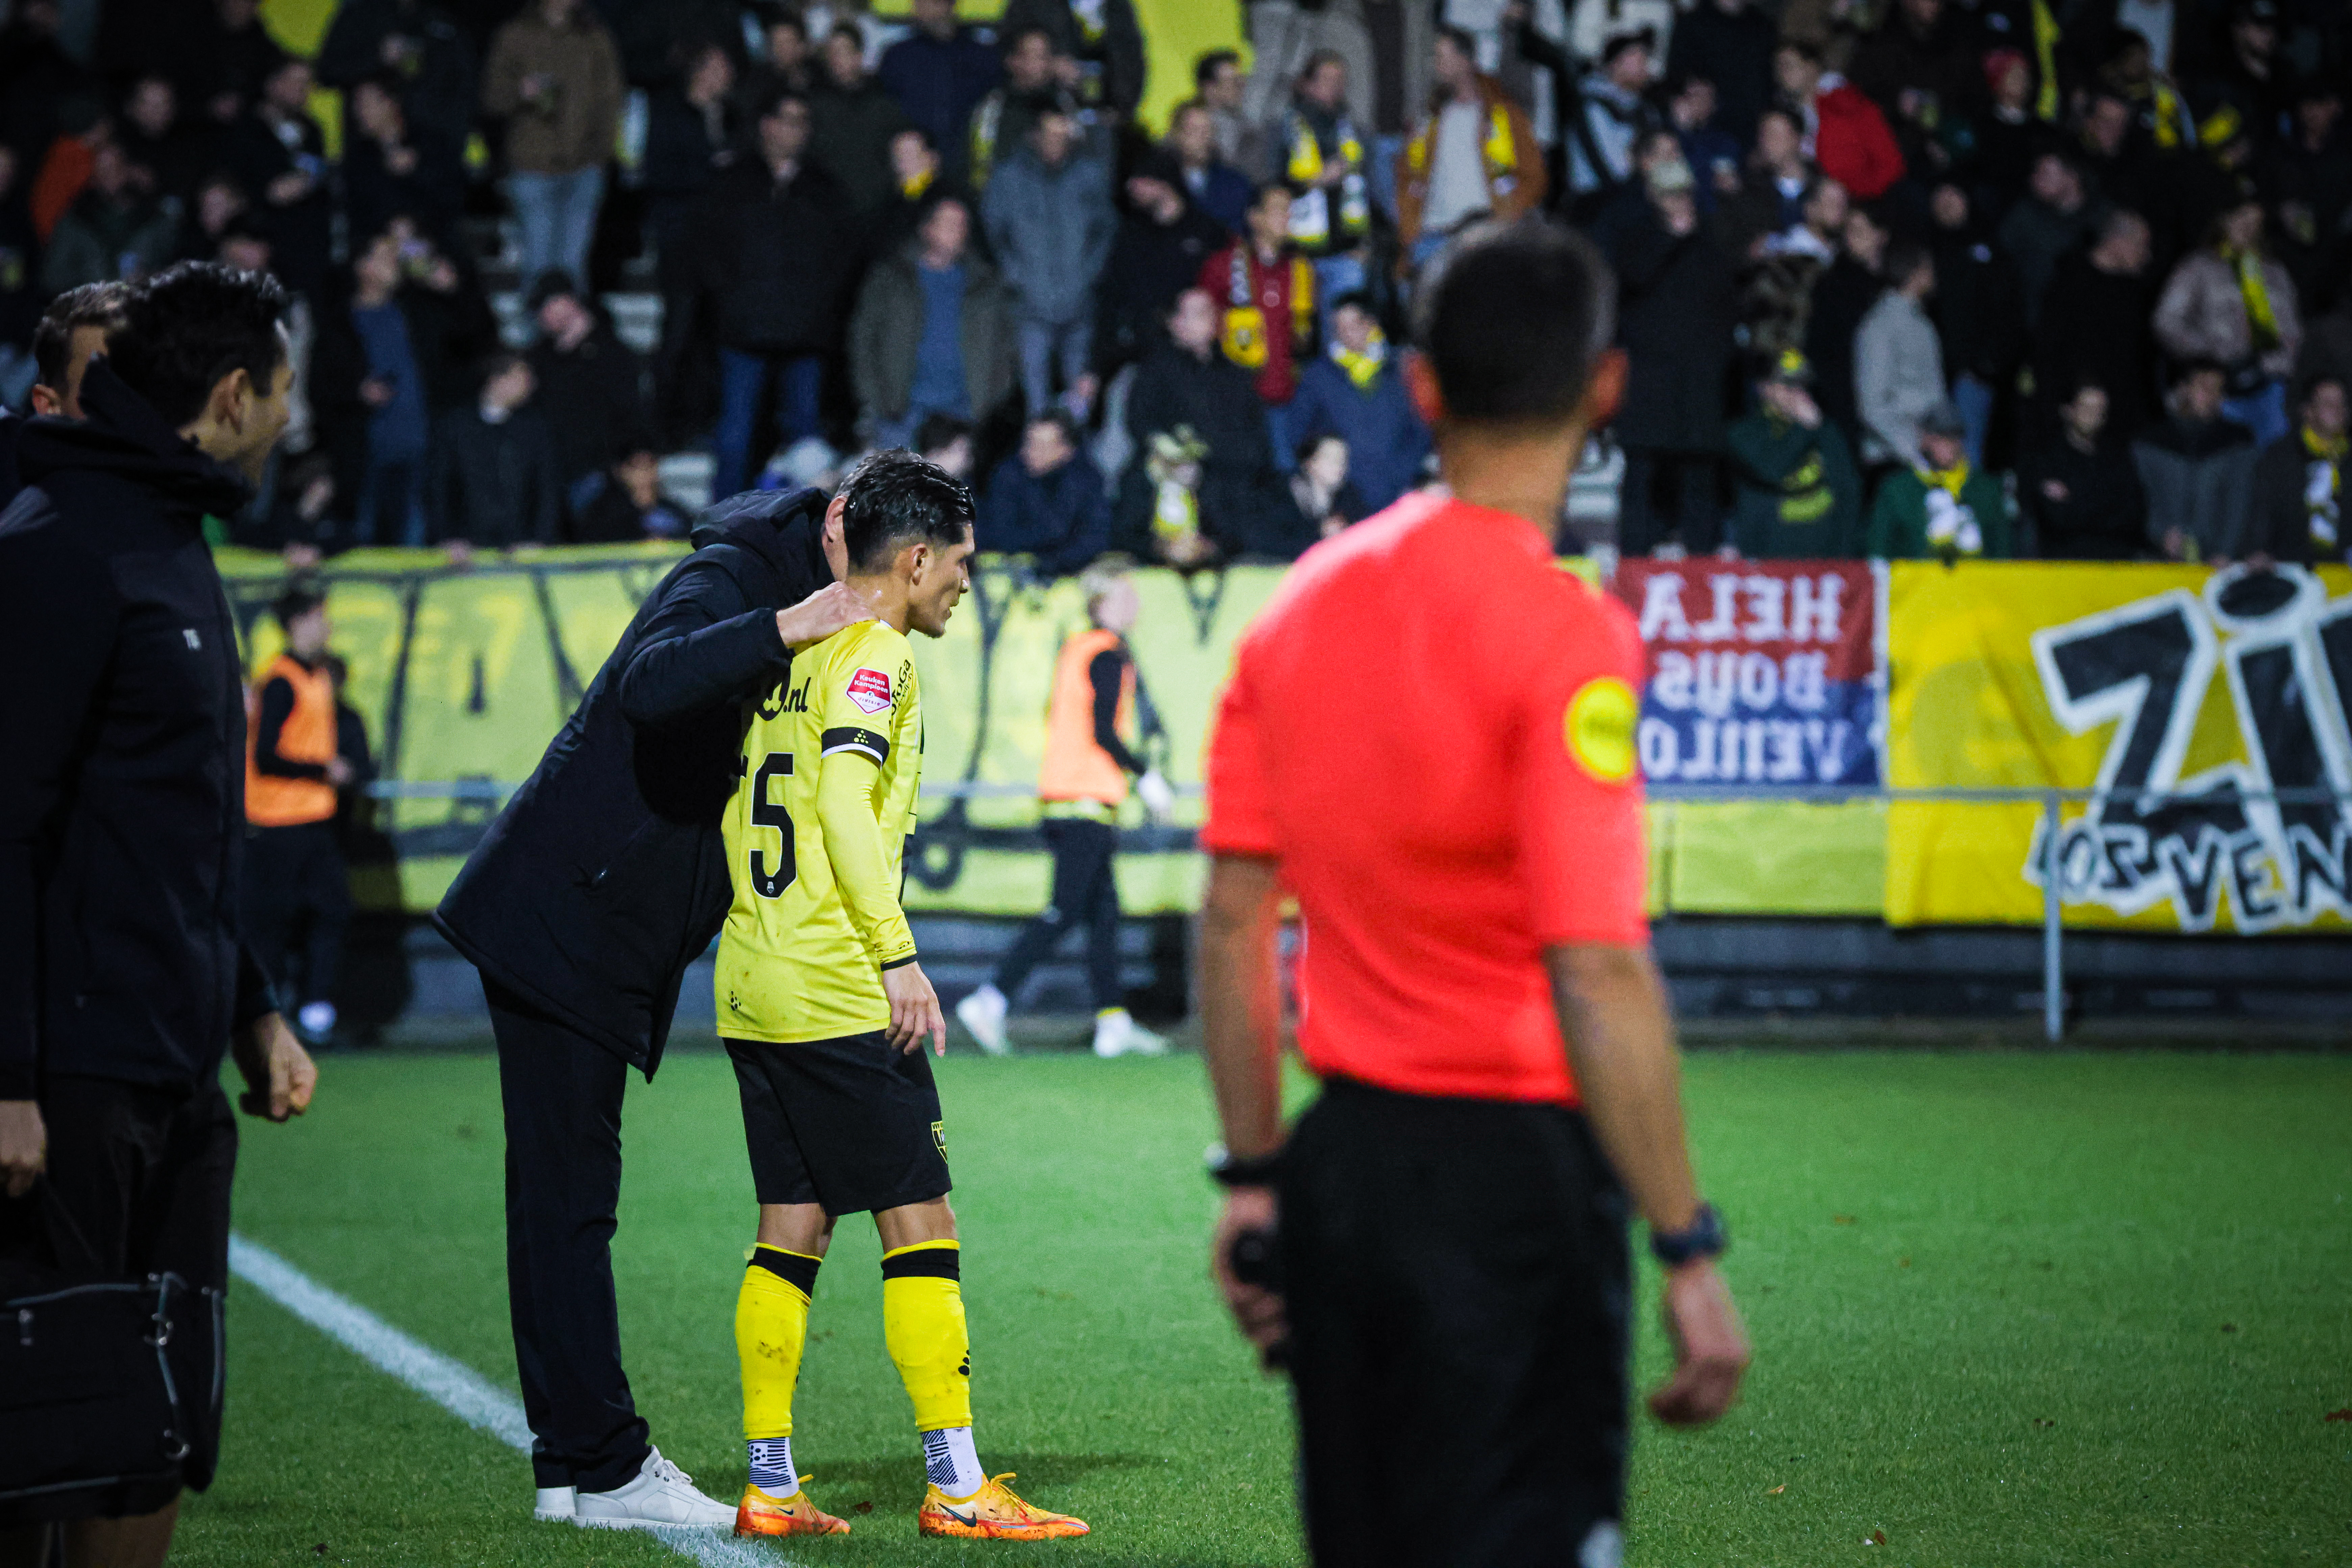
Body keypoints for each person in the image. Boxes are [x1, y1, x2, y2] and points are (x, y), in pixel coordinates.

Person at [1194, 220, 1750, 1568]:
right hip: (1517, 1193)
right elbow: (1596, 964)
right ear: (1607, 389)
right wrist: (1686, 1243)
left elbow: (1229, 920)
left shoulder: (1299, 608)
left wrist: (1256, 1175)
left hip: (1345, 1173)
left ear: (1424, 388)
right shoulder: (1569, 636)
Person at [434, 460, 876, 1527]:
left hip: (581, 923)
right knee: (570, 1204)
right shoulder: (731, 575)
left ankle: (572, 1466)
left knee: (558, 1204)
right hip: (563, 920)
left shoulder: (793, 594)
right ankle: (609, 1463)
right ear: (835, 528)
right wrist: (790, 623)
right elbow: (652, 681)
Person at [0, 260, 318, 1567]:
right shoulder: (62, 542)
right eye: (282, 392)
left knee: (160, 1413)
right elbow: (10, 823)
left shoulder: (171, 539)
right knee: (45, 1423)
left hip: (177, 1062)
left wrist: (249, 1006)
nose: (293, 418)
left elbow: (173, 828)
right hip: (73, 1075)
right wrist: (8, 1072)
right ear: (233, 394)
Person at [713, 452, 1086, 1542]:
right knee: (922, 1222)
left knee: (791, 1225)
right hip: (836, 983)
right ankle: (959, 1485)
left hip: (753, 977)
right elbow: (836, 799)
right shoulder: (876, 656)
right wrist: (897, 955)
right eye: (961, 564)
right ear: (916, 561)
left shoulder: (797, 648)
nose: (967, 583)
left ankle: (771, 1486)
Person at [958, 565, 1173, 1059]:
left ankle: (1112, 1022)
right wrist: (1147, 777)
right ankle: (990, 999)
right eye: (1126, 596)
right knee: (1066, 911)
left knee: (1103, 917)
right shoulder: (1109, 654)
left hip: (1067, 799)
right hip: (1085, 802)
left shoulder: (1079, 647)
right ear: (1105, 604)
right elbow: (1103, 731)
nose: (1135, 605)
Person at [699, 90, 856, 500]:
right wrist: (730, 304)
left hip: (806, 334)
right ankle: (723, 530)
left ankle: (810, 534)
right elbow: (711, 250)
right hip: (744, 332)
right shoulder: (733, 182)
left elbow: (841, 258)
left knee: (807, 443)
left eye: (804, 121)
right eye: (789, 119)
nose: (797, 130)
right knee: (735, 437)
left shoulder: (824, 188)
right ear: (766, 124)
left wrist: (821, 310)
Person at [243, 584, 356, 1048]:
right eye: (317, 617)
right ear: (296, 624)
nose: (326, 625)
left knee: (333, 912)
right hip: (277, 824)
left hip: (313, 821)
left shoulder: (319, 676)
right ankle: (264, 1022)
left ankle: (314, 1012)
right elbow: (268, 756)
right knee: (271, 926)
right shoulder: (282, 680)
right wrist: (322, 769)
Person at [1612, 158, 1737, 555]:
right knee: (1643, 477)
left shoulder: (1710, 242)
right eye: (1670, 194)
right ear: (1654, 197)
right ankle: (1634, 570)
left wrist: (1718, 362)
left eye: (1684, 193)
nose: (1679, 202)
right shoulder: (1635, 239)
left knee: (1699, 479)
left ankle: (1701, 567)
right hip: (1650, 383)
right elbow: (1633, 277)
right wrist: (1672, 239)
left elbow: (1726, 303)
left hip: (1698, 382)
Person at [848, 192, 1018, 452]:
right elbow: (863, 339)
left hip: (961, 413)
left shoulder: (985, 283)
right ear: (926, 229)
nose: (956, 231)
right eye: (948, 223)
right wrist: (876, 399)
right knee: (898, 489)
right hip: (900, 411)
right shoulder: (892, 276)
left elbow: (1006, 345)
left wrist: (986, 401)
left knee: (952, 492)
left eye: (962, 225)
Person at [981, 102, 1115, 422]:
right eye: (1050, 134)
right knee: (1035, 401)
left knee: (1080, 402)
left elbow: (1106, 230)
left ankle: (1074, 464)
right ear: (1035, 136)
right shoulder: (1008, 177)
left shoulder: (1090, 174)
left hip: (1080, 303)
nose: (1057, 142)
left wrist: (1089, 273)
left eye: (1063, 134)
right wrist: (1016, 275)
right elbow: (992, 234)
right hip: (1029, 306)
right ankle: (1036, 462)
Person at [483, 0, 624, 293]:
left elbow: (611, 100)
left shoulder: (594, 37)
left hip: (585, 165)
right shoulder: (514, 35)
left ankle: (575, 337)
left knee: (573, 267)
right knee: (538, 264)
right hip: (532, 165)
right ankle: (539, 336)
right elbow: (491, 98)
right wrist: (520, 92)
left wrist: (601, 155)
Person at [2153, 200, 2301, 448]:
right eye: (2242, 220)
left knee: (2274, 458)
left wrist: (2277, 362)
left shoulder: (2275, 272)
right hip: (2218, 387)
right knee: (2227, 456)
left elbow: (2292, 329)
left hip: (2270, 385)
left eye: (2256, 223)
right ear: (2224, 221)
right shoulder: (2199, 266)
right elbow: (2166, 320)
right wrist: (2211, 353)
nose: (2248, 228)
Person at [1398, 26, 1547, 271]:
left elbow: (1534, 176)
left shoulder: (1503, 116)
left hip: (1484, 236)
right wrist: (1410, 227)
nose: (1437, 64)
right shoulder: (1431, 119)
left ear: (1465, 61)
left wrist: (1507, 216)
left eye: (1442, 56)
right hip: (1432, 236)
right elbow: (1408, 175)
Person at [1286, 291, 1431, 514]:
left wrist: (1404, 473)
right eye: (1339, 327)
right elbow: (1300, 432)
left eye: (1353, 324)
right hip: (1344, 497)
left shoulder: (1401, 370)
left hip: (1398, 490)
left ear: (1370, 324)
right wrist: (1329, 477)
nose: (1346, 334)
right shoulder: (1318, 377)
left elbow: (1422, 427)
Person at [524, 271, 650, 519]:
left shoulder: (614, 356)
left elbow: (631, 416)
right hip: (552, 477)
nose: (542, 316)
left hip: (602, 478)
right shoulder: (539, 359)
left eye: (546, 306)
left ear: (568, 301)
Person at [1726, 349, 1864, 557]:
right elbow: (1772, 470)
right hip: (1770, 553)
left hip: (1825, 551)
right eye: (1788, 385)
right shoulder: (1745, 433)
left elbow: (1848, 489)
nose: (1798, 393)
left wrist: (1845, 553)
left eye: (1803, 385)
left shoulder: (1825, 430)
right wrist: (1804, 429)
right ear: (1765, 388)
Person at [1200, 183, 1315, 423]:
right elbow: (1203, 332)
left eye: (1290, 210)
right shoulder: (1223, 267)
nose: (1288, 216)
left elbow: (1308, 339)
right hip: (1234, 403)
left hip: (1289, 402)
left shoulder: (1301, 270)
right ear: (1255, 218)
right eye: (1279, 209)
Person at [427, 352, 561, 553]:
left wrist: (539, 540)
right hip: (466, 547)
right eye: (520, 379)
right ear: (496, 380)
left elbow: (547, 488)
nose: (529, 386)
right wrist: (447, 538)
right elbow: (439, 485)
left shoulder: (534, 429)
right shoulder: (455, 426)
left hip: (519, 545)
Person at [2133, 359, 2257, 561]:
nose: (2212, 396)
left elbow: (2240, 503)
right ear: (2184, 390)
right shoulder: (2151, 442)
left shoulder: (2237, 443)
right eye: (2205, 388)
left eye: (2218, 390)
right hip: (2158, 559)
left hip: (2219, 563)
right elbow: (2140, 500)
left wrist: (2227, 551)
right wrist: (2161, 533)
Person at [1277, 54, 1372, 303]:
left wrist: (1364, 243)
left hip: (1346, 252)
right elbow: (1272, 186)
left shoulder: (1350, 128)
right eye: (1327, 79)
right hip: (1298, 254)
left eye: (1340, 80)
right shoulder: (1285, 128)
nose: (1336, 86)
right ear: (1306, 84)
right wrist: (1313, 181)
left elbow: (1366, 190)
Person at [1866, 400, 2013, 558]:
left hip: (1973, 581)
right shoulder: (1897, 490)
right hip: (1916, 581)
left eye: (1955, 436)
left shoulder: (1986, 489)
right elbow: (1878, 549)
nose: (1949, 445)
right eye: (1941, 436)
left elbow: (2003, 551)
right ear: (1925, 438)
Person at [876, 0, 998, 186]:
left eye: (930, 3)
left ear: (950, 5)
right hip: (912, 171)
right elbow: (885, 115)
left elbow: (991, 113)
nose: (919, 9)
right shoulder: (897, 58)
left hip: (969, 170)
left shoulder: (981, 57)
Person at [973, 409, 1108, 574]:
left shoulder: (1086, 480)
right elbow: (1001, 533)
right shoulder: (1008, 476)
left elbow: (1094, 537)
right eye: (1030, 442)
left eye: (1043, 445)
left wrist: (1055, 562)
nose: (1032, 451)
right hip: (1016, 569)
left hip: (1073, 571)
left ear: (1067, 450)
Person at [2020, 383, 2148, 558]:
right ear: (2068, 410)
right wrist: (2102, 505)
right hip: (2062, 563)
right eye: (2086, 406)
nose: (2093, 414)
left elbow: (2132, 516)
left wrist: (2074, 501)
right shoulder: (2047, 458)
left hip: (2114, 560)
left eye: (2100, 409)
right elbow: (2054, 520)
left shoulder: (2117, 459)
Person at [39, 143, 177, 296]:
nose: (111, 177)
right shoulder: (76, 221)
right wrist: (90, 283)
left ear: (129, 169)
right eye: (103, 172)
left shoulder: (156, 217)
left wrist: (150, 277)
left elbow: (177, 266)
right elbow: (53, 278)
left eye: (116, 169)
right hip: (92, 311)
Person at [1774, 41, 1905, 201]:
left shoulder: (1851, 104)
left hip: (1860, 204)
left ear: (1812, 67)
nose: (1782, 74)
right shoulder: (1785, 116)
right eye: (1779, 68)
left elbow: (1890, 164)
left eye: (1788, 66)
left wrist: (1857, 200)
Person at [1855, 240, 1944, 472]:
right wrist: (1914, 448)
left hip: (1925, 452)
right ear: (1914, 273)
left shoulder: (1919, 321)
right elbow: (1872, 405)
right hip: (1894, 459)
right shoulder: (1881, 325)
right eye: (1928, 267)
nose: (1934, 274)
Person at [810, 21, 911, 222]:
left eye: (844, 52)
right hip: (829, 216)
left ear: (859, 56)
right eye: (832, 53)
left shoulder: (884, 105)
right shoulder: (813, 107)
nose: (837, 60)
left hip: (879, 215)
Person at [2245, 373, 2350, 566]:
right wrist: (2258, 550)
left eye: (2342, 403)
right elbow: (2262, 510)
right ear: (2307, 411)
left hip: (2344, 575)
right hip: (2289, 568)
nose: (2338, 410)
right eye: (2328, 403)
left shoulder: (2348, 458)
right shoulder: (2281, 457)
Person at [572, 442, 691, 543]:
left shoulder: (675, 513)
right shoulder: (603, 517)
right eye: (637, 467)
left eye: (650, 465)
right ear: (621, 472)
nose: (645, 475)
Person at [1166, 98, 1251, 234]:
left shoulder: (1236, 185)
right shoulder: (1159, 181)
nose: (1203, 138)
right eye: (1194, 131)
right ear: (1177, 135)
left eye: (1207, 130)